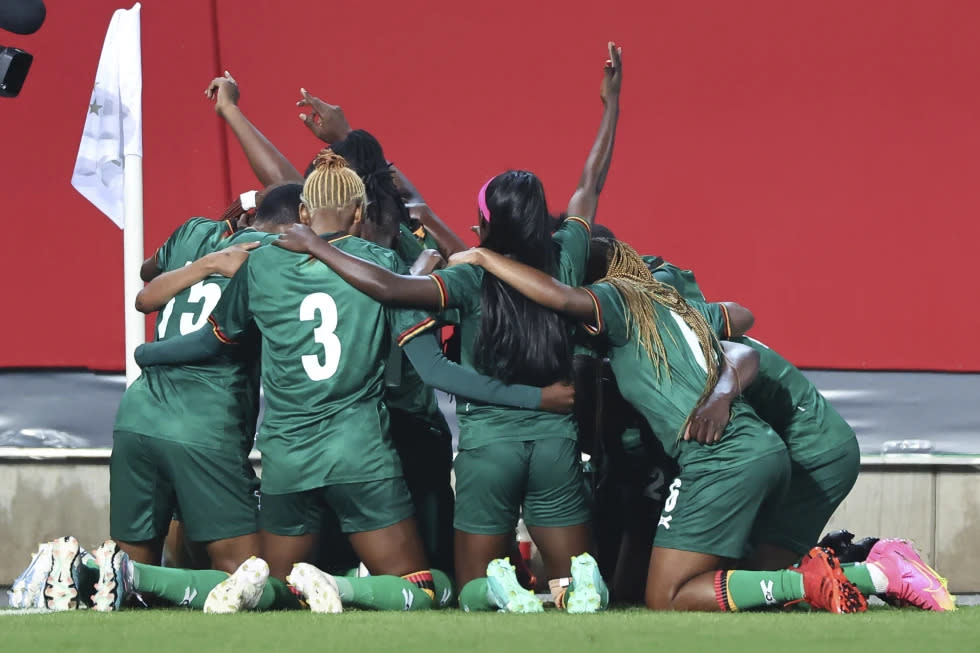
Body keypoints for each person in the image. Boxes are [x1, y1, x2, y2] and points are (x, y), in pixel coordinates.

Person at [271, 42, 626, 614]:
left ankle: (503, 588)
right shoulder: (566, 256)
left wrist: (316, 243)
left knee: (471, 594)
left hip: (489, 448)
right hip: (557, 440)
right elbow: (592, 180)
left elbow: (388, 287)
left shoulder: (467, 280)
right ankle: (576, 586)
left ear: (485, 222)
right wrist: (612, 104)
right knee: (575, 585)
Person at [104, 183, 304, 594]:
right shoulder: (278, 252)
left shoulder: (194, 230)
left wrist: (208, 255)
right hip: (205, 420)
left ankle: (79, 572)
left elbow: (147, 276)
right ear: (299, 222)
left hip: (138, 414)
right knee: (247, 577)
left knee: (130, 579)